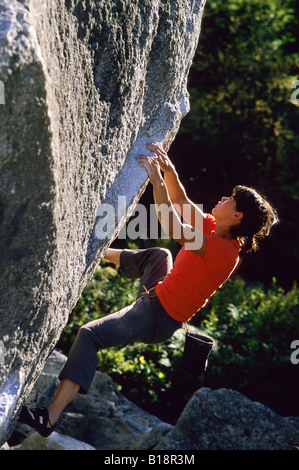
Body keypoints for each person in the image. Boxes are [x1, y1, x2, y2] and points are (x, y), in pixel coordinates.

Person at [18, 142, 278, 437]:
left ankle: (49, 418)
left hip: (157, 317)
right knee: (161, 256)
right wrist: (169, 170)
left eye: (230, 199)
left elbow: (172, 224)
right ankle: (98, 251)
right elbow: (180, 202)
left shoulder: (225, 252)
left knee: (89, 335)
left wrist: (156, 180)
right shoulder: (213, 226)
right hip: (157, 291)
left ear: (237, 216)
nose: (223, 198)